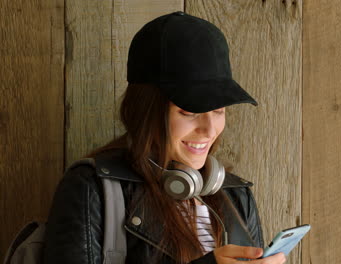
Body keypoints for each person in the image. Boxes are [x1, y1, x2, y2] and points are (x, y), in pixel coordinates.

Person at [43, 11, 287, 264]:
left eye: (219, 110)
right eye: (190, 111)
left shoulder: (236, 196)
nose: (209, 129)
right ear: (147, 110)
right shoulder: (90, 187)